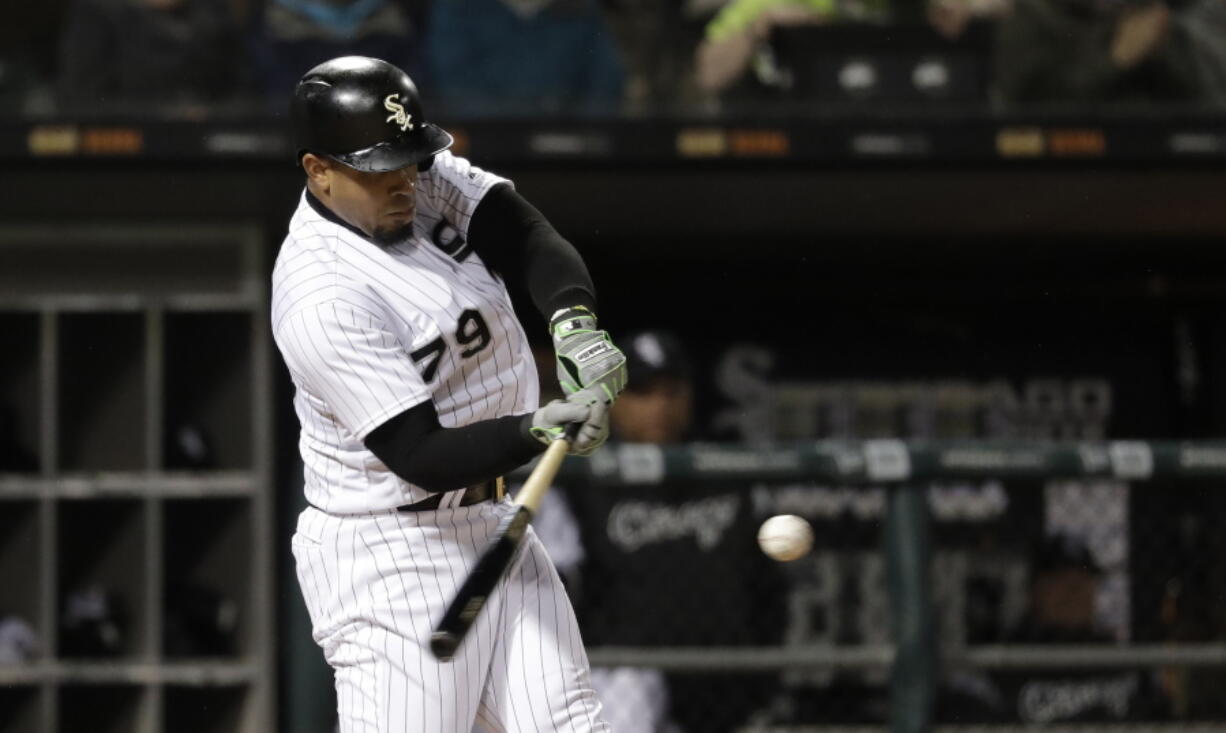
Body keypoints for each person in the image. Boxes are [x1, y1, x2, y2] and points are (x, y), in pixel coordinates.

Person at [271, 55, 629, 732]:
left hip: (494, 520)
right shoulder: (320, 295)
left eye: (408, 158)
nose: (404, 179)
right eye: (379, 169)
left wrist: (574, 325)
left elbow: (528, 237)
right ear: (318, 170)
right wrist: (537, 428)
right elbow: (419, 451)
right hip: (391, 550)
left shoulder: (420, 179)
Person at [536, 331, 786, 732]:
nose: (659, 407)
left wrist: (766, 679)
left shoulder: (728, 471)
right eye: (642, 392)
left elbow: (768, 591)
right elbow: (558, 586)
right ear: (613, 403)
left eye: (671, 392)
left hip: (725, 677)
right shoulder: (582, 482)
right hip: (624, 677)